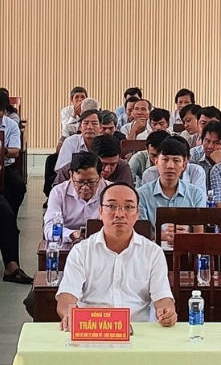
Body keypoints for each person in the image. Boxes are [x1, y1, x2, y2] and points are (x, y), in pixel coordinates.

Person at [55, 182, 176, 329]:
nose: (119, 214)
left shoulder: (153, 252)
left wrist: (167, 312)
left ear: (137, 213)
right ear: (100, 212)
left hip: (137, 331)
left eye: (128, 207)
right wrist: (69, 314)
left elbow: (162, 298)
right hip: (93, 330)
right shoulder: (81, 251)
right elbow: (67, 297)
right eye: (111, 206)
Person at [137, 136, 207, 224]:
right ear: (156, 162)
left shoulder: (196, 195)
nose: (170, 166)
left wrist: (184, 232)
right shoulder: (141, 195)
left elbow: (199, 231)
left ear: (184, 165)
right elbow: (141, 230)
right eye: (165, 160)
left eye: (176, 160)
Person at [43, 153, 103, 247]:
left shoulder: (111, 192)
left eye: (91, 182)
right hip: (67, 245)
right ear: (71, 175)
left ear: (100, 176)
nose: (85, 187)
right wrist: (73, 234)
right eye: (79, 182)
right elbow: (50, 229)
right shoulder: (59, 192)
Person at [54, 134, 134, 186]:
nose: (107, 169)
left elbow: (127, 195)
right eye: (103, 164)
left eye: (113, 164)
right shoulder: (69, 169)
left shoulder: (122, 167)